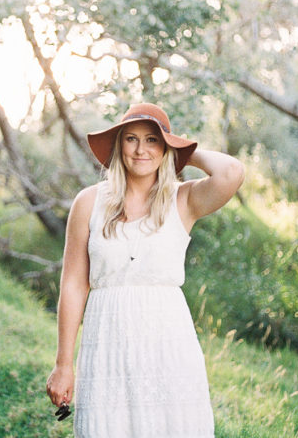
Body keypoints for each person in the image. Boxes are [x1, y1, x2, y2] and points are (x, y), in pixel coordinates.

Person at [46, 102, 245, 437]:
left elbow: (232, 173)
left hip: (168, 345)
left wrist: (181, 151)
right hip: (106, 345)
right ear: (118, 145)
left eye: (152, 140)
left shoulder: (183, 200)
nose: (141, 150)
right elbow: (74, 286)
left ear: (165, 146)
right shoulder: (88, 203)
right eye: (131, 139)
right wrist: (64, 365)